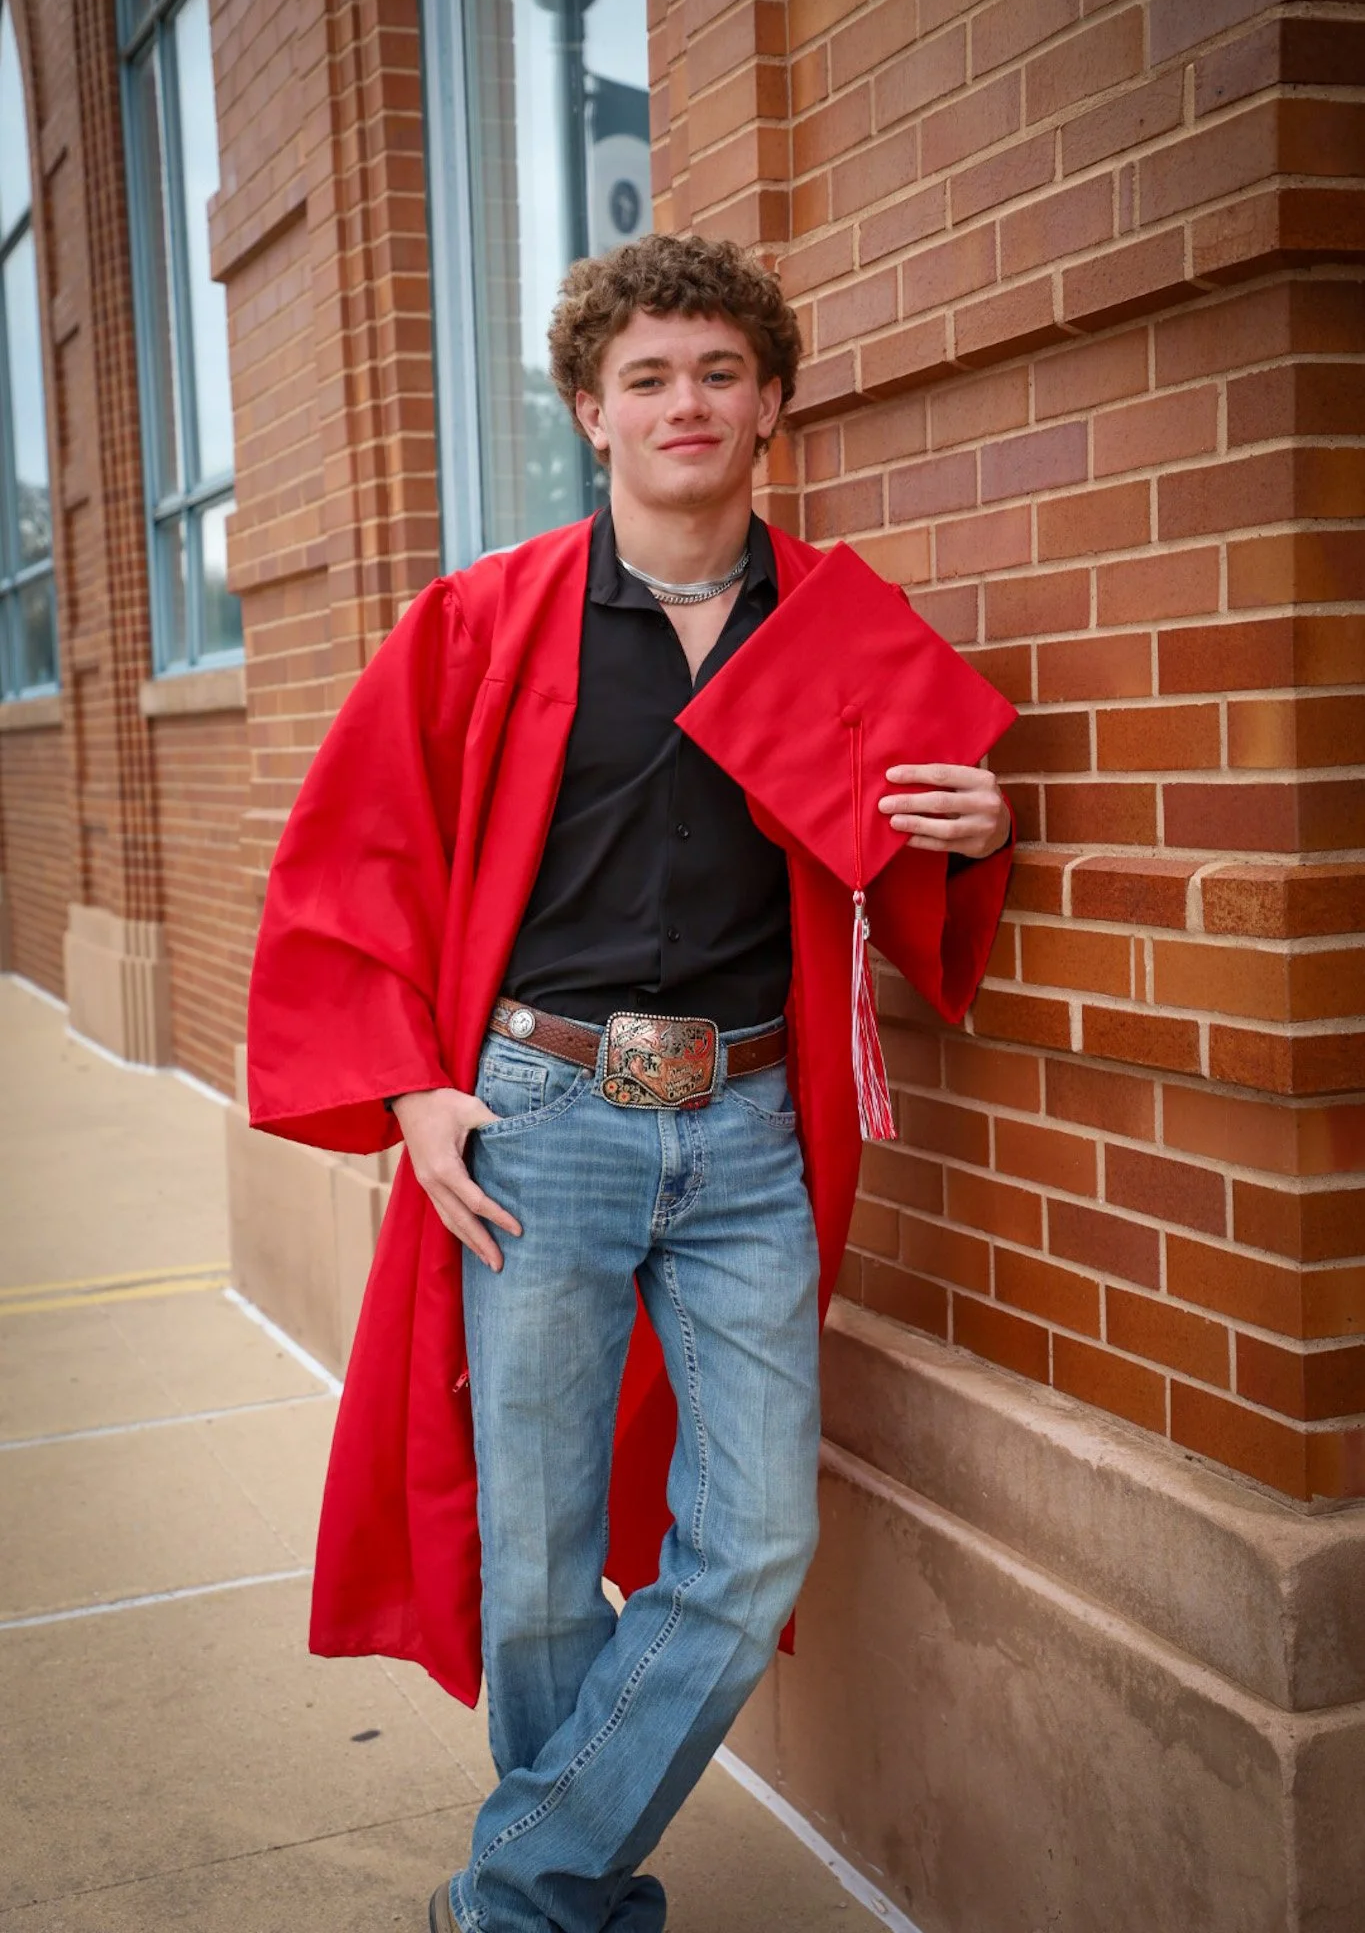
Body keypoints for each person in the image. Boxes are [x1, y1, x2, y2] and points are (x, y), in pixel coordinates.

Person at [246, 234, 1013, 1933]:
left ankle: (519, 1890)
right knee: (536, 1568)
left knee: (747, 1553)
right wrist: (409, 1095)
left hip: (748, 1129)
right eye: (649, 376)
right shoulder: (481, 623)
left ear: (773, 410)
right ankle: (563, 1904)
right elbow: (349, 869)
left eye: (720, 372)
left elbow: (908, 868)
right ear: (592, 411)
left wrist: (980, 831)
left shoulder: (843, 635)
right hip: (543, 1119)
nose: (687, 403)